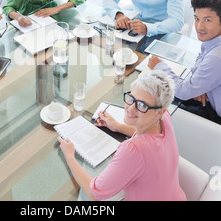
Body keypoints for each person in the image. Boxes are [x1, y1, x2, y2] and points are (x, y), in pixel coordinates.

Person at [58, 71, 186, 201]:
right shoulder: (165, 118)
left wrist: (69, 156)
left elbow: (95, 194)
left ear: (159, 112)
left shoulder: (133, 150)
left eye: (142, 105)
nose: (130, 108)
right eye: (131, 98)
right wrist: (118, 126)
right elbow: (150, 139)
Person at [149, 0, 221, 135]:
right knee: (165, 91)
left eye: (207, 20)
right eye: (197, 19)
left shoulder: (218, 58)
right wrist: (200, 86)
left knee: (156, 102)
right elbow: (204, 57)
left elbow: (184, 92)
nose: (199, 27)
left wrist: (158, 66)